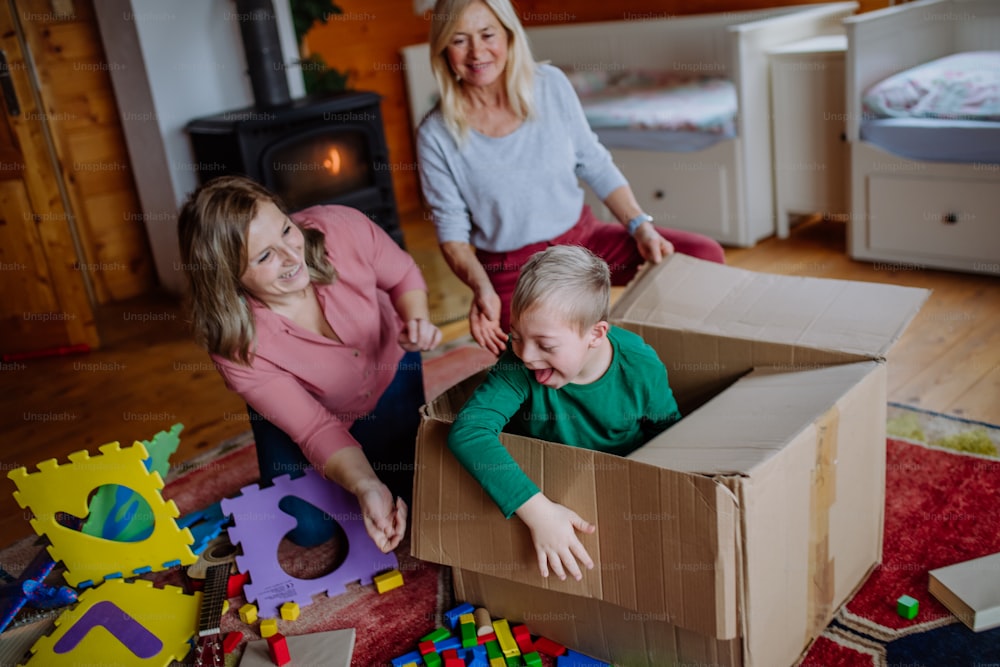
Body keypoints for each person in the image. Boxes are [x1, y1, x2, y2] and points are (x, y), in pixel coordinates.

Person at [416, 0, 726, 355]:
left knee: (703, 254)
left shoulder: (550, 85)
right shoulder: (435, 133)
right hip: (513, 273)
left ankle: (673, 357)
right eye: (459, 40)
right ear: (443, 48)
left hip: (584, 243)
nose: (476, 52)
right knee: (550, 361)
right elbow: (452, 232)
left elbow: (593, 161)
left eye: (487, 35)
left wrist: (641, 226)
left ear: (509, 35)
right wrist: (481, 288)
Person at [176, 175, 442, 554]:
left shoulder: (340, 227)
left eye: (286, 229)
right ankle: (285, 427)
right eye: (265, 256)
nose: (290, 254)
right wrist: (365, 484)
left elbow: (403, 275)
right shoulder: (236, 346)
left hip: (390, 369)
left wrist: (416, 318)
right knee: (308, 529)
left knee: (417, 487)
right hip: (313, 410)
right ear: (227, 277)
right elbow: (316, 428)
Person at [447, 245, 682, 581]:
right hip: (544, 484)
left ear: (595, 335)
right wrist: (540, 514)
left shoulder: (640, 367)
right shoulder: (518, 365)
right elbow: (469, 432)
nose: (527, 354)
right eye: (515, 336)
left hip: (622, 489)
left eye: (546, 344)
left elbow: (671, 437)